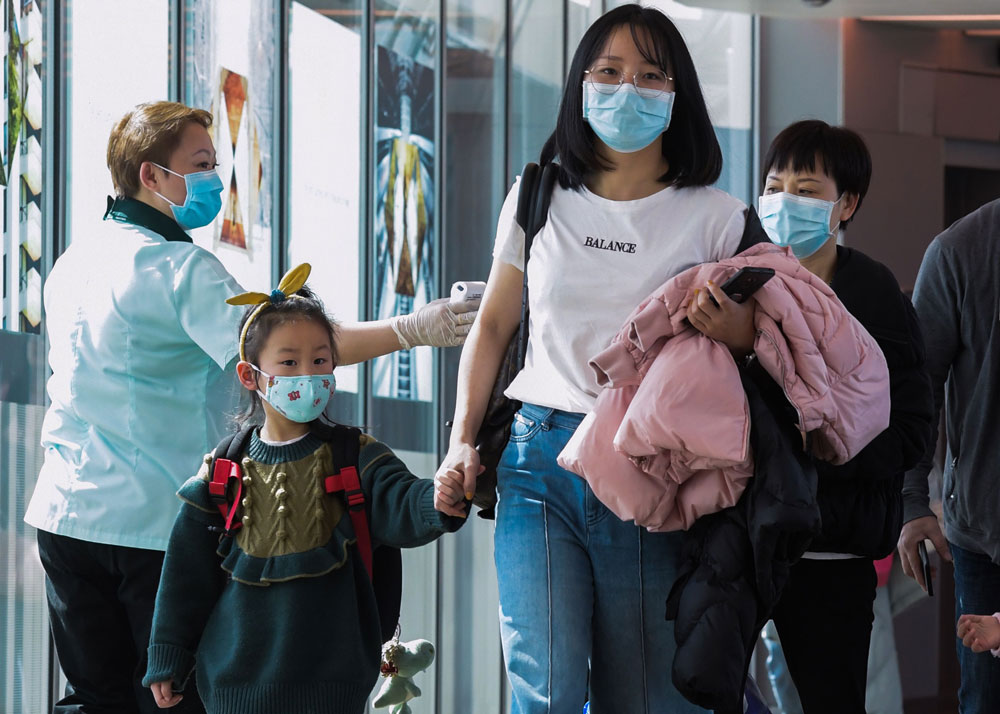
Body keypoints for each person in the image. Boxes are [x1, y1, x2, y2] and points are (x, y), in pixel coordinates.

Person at [24, 101, 477, 714]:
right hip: (149, 522)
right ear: (151, 177)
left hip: (63, 517)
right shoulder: (179, 268)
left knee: (95, 696)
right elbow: (287, 346)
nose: (215, 178)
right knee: (169, 695)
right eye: (202, 164)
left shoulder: (73, 261)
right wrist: (412, 329)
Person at [434, 5, 759, 711]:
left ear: (679, 97)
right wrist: (461, 443)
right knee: (541, 687)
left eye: (650, 75)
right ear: (581, 84)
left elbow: (758, 345)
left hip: (647, 465)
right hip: (536, 459)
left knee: (640, 694)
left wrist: (733, 331)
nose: (626, 89)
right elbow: (493, 326)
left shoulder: (719, 216)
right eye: (608, 72)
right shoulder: (539, 193)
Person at [142, 265, 466, 713]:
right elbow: (184, 575)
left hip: (334, 693)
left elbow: (404, 501)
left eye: (320, 360)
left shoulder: (357, 456)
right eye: (289, 362)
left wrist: (439, 500)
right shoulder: (221, 470)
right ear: (250, 375)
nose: (308, 373)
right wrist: (168, 655)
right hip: (233, 693)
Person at [754, 120, 933, 714]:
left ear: (846, 203)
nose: (785, 202)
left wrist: (827, 448)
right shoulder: (741, 279)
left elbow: (910, 426)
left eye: (806, 190)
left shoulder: (874, 293)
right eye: (774, 186)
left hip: (832, 553)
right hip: (743, 545)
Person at [899, 196, 1000, 713]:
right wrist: (913, 501)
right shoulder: (960, 250)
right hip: (985, 537)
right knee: (985, 700)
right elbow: (918, 389)